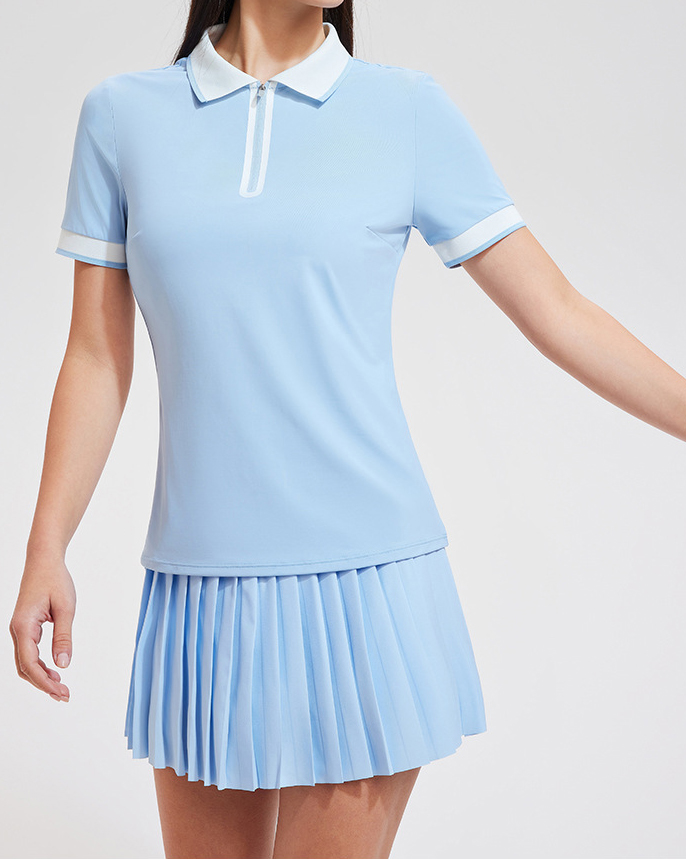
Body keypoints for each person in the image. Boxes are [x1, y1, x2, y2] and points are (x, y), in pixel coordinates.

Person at [10, 1, 686, 858]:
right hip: (198, 594)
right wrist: (46, 546)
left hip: (365, 592)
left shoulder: (404, 110)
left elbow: (556, 309)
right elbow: (96, 356)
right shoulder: (122, 116)